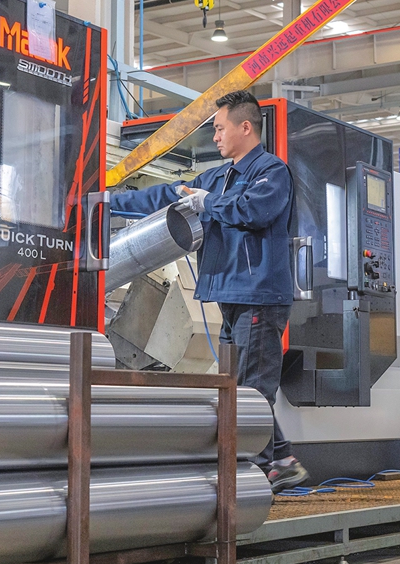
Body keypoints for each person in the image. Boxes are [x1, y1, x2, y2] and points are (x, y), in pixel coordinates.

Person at [110, 90, 309, 492]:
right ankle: (283, 460)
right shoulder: (216, 177)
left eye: (220, 128)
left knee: (251, 391)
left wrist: (208, 203)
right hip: (230, 296)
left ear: (245, 127)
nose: (215, 137)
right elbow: (168, 196)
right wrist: (110, 200)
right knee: (237, 389)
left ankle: (250, 477)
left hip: (258, 296)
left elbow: (252, 211)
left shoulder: (272, 173)